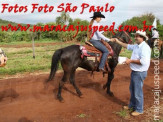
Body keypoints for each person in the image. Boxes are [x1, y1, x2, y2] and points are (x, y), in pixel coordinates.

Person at [113, 30, 151, 116]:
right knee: (133, 90)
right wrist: (117, 41)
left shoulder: (145, 48)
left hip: (139, 72)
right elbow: (127, 46)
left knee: (137, 92)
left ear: (142, 38)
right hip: (135, 72)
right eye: (136, 35)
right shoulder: (137, 46)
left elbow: (144, 62)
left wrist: (130, 61)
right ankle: (132, 105)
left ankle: (139, 109)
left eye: (137, 36)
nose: (135, 37)